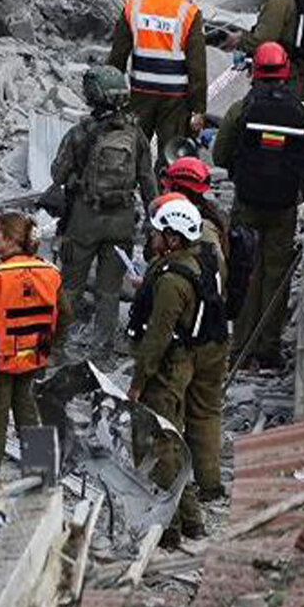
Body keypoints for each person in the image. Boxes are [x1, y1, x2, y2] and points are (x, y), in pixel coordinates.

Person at [213, 43, 304, 371]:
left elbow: (220, 156)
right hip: (284, 207)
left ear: (256, 71)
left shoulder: (241, 108)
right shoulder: (303, 111)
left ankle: (241, 350)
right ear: (286, 71)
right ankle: (269, 349)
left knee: (245, 272)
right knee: (275, 277)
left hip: (247, 203)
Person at [126, 194, 222, 544]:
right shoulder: (197, 260)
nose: (152, 238)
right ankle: (190, 520)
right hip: (183, 363)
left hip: (166, 370)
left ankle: (169, 527)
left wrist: (138, 381)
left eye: (158, 233)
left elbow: (157, 337)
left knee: (159, 445)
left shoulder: (172, 280)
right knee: (172, 441)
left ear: (174, 238)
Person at [51, 66, 157, 360]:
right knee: (109, 292)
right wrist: (152, 221)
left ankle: (57, 349)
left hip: (84, 219)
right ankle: (102, 354)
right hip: (121, 222)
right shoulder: (136, 134)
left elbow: (58, 172)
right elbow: (148, 180)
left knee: (70, 287)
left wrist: (74, 180)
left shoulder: (80, 132)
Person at [0, 212, 71, 487]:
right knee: (28, 415)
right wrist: (51, 344)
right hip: (32, 356)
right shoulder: (50, 271)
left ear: (11, 240)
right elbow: (65, 314)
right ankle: (42, 479)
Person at [157, 157, 230, 505]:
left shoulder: (190, 232)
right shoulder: (215, 222)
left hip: (189, 340)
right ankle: (210, 483)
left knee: (175, 414)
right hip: (217, 334)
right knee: (207, 411)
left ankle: (179, 496)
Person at [109, 0, 206, 150]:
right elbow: (197, 67)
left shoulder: (134, 5)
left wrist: (110, 99)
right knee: (170, 154)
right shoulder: (190, 12)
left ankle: (128, 181)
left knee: (131, 149)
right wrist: (198, 109)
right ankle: (163, 183)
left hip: (139, 93)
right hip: (175, 98)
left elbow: (117, 57)